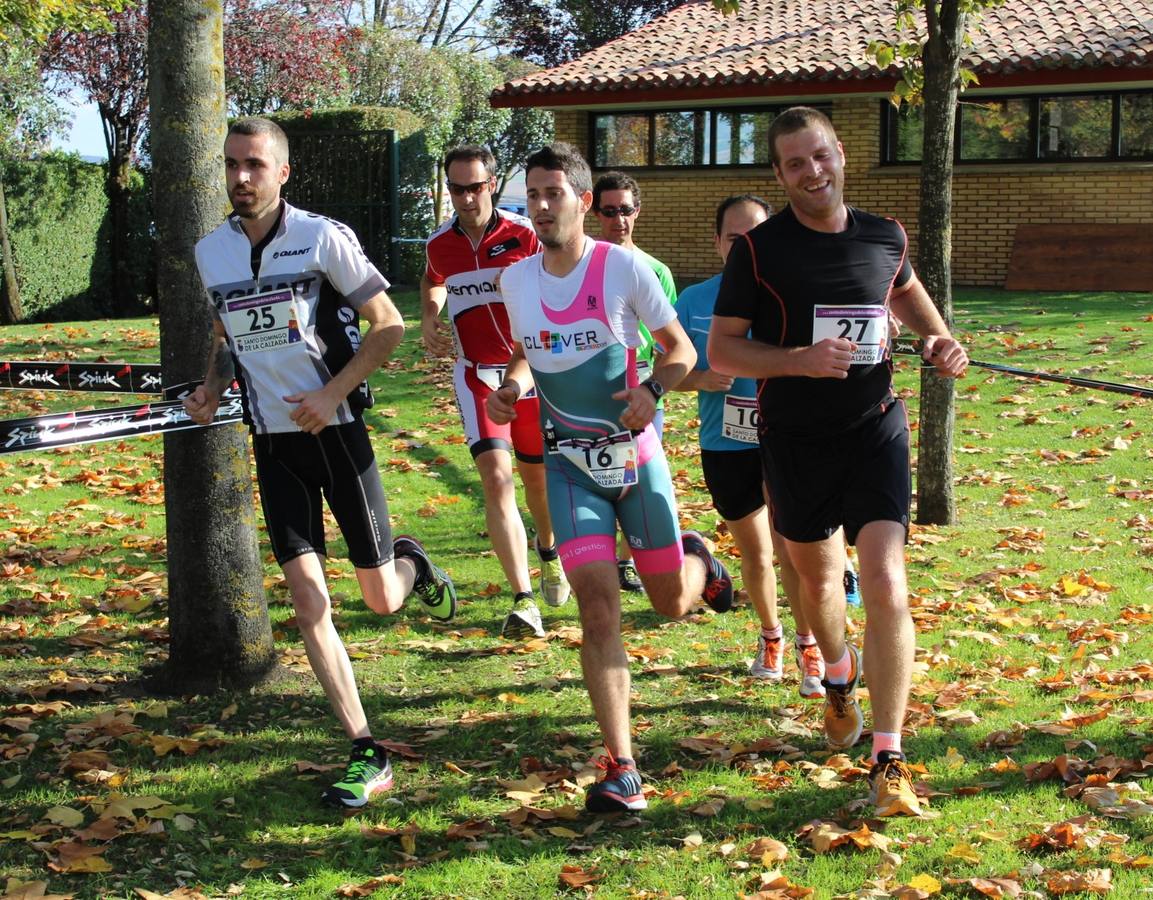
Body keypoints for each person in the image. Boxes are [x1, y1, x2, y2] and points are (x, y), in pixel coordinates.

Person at [184, 117, 457, 809]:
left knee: (379, 599)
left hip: (337, 437)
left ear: (281, 173)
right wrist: (213, 386)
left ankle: (411, 563)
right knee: (309, 604)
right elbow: (226, 332)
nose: (240, 177)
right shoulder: (210, 251)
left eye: (254, 164)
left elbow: (387, 322)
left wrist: (332, 392)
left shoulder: (321, 237)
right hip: (273, 445)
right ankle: (365, 748)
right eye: (231, 165)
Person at [708, 107, 968, 817]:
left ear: (840, 153)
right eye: (795, 163)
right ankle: (837, 676)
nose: (811, 172)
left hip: (874, 428)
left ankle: (888, 756)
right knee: (819, 584)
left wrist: (941, 341)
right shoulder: (758, 251)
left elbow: (908, 294)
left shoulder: (885, 236)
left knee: (885, 580)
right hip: (793, 440)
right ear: (779, 173)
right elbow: (723, 351)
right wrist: (797, 360)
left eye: (819, 155)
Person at [487, 142, 735, 813]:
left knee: (664, 603)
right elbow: (521, 352)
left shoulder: (621, 268)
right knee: (596, 606)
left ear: (582, 200)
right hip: (569, 467)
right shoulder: (517, 280)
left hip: (635, 463)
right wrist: (509, 388)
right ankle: (621, 765)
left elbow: (680, 350)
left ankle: (698, 564)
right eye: (532, 194)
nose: (540, 206)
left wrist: (653, 389)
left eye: (553, 193)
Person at [673, 194, 825, 698]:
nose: (745, 247)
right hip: (726, 443)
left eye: (755, 238)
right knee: (756, 554)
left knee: (792, 549)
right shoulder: (695, 301)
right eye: (735, 239)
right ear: (718, 243)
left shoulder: (791, 295)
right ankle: (770, 636)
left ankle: (809, 646)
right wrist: (699, 379)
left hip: (787, 437)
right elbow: (662, 371)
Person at [421, 145, 569, 640]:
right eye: (457, 188)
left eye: (475, 187)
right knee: (496, 479)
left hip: (530, 375)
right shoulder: (439, 243)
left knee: (536, 483)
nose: (466, 198)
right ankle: (524, 600)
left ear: (491, 184)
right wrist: (429, 314)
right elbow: (433, 280)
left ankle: (549, 552)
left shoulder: (524, 235)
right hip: (475, 375)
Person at [592, 171, 676, 594]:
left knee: (636, 480)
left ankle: (627, 560)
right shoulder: (586, 267)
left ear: (637, 212)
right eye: (609, 211)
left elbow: (671, 346)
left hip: (642, 388)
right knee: (598, 478)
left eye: (625, 210)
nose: (618, 219)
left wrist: (654, 387)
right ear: (596, 213)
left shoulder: (656, 271)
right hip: (594, 390)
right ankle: (596, 556)